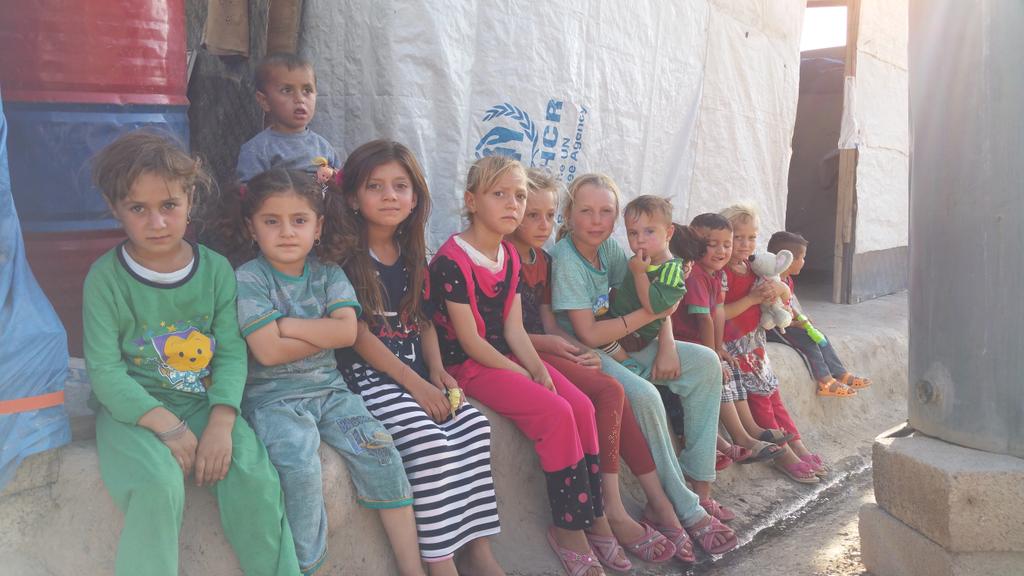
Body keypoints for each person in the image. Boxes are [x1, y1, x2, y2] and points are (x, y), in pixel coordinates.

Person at [82, 131, 302, 576]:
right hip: (133, 413)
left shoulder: (216, 271)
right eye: (138, 209)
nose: (157, 222)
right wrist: (165, 424)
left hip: (204, 403)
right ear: (114, 207)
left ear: (190, 199)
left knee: (255, 479)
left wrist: (221, 421)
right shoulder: (105, 279)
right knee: (157, 485)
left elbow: (231, 354)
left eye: (169, 205)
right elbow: (104, 371)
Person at [226, 168, 424, 575]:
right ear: (251, 227)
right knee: (300, 471)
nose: (286, 232)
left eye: (299, 220)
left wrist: (286, 324)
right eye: (271, 221)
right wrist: (323, 330)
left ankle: (412, 568)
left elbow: (348, 332)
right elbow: (267, 352)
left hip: (333, 394)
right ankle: (306, 567)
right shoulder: (249, 278)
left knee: (381, 452)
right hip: (274, 400)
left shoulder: (328, 273)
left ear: (317, 227)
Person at [428, 156, 607, 576]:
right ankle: (569, 530)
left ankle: (595, 515)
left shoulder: (508, 254)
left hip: (505, 356)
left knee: (582, 406)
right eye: (500, 194)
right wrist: (522, 375)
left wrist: (538, 370)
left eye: (520, 196)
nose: (514, 204)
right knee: (557, 413)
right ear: (472, 201)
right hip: (470, 366)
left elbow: (513, 329)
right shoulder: (452, 260)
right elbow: (471, 342)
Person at [333, 140, 504, 576]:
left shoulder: (412, 255)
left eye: (400, 186)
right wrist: (417, 385)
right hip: (370, 380)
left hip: (416, 373)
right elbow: (358, 334)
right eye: (375, 186)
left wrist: (437, 371)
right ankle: (440, 560)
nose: (390, 195)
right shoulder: (346, 259)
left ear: (415, 198)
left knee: (473, 428)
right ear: (352, 197)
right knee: (429, 443)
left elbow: (423, 320)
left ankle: (478, 551)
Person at [549, 173, 737, 557]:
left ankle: (700, 486)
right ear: (568, 214)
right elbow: (589, 333)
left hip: (625, 340)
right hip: (587, 350)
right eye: (586, 211)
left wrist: (666, 343)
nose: (597, 221)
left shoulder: (609, 249)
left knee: (705, 363)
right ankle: (681, 506)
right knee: (645, 395)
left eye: (606, 212)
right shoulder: (567, 258)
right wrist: (656, 312)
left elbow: (648, 294)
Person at [509, 171, 678, 569]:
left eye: (548, 216)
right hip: (522, 352)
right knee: (609, 393)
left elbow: (549, 323)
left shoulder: (544, 259)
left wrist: (574, 347)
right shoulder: (531, 258)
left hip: (565, 344)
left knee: (614, 392)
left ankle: (661, 502)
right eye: (532, 215)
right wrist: (569, 346)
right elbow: (507, 332)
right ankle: (609, 513)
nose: (542, 225)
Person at [670, 213, 785, 479]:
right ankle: (742, 437)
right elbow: (705, 319)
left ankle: (749, 431)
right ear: (695, 243)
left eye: (726, 244)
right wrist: (714, 353)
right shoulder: (696, 275)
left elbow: (718, 313)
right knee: (717, 371)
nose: (721, 251)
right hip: (684, 344)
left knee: (729, 367)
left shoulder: (716, 274)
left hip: (701, 343)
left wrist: (718, 347)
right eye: (712, 244)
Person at [719, 205, 826, 484]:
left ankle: (798, 447)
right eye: (738, 238)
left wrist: (779, 289)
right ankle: (784, 456)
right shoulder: (721, 273)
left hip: (755, 343)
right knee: (760, 401)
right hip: (733, 347)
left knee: (773, 397)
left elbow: (783, 289)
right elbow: (718, 313)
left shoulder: (753, 266)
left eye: (751, 238)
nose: (745, 245)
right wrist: (752, 299)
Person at [766, 231, 871, 396]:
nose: (804, 262)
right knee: (807, 340)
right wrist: (794, 324)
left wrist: (800, 318)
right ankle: (825, 381)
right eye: (802, 258)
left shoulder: (787, 280)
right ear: (788, 260)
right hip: (772, 328)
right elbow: (771, 313)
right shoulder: (772, 283)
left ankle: (840, 374)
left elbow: (788, 304)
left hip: (786, 322)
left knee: (820, 337)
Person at [236, 53, 340, 184]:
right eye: (287, 90)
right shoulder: (258, 150)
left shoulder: (324, 147)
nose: (300, 99)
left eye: (307, 90)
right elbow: (249, 192)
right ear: (264, 101)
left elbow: (340, 184)